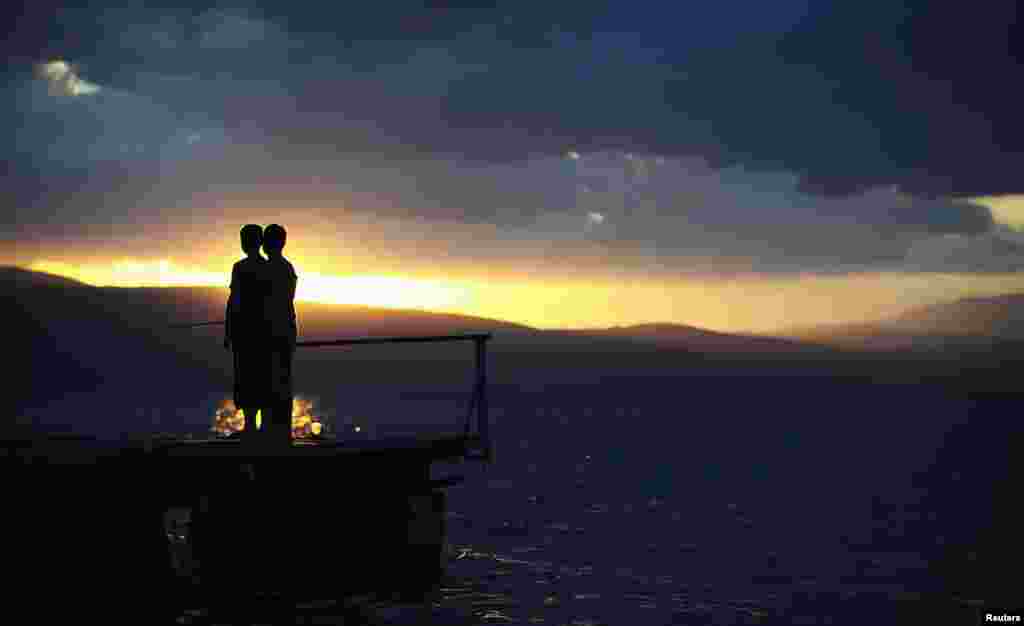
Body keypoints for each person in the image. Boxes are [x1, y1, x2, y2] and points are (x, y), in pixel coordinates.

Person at [223, 224, 270, 438]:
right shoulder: (267, 267)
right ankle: (255, 426)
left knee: (246, 377)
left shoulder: (239, 268)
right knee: (259, 377)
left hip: (245, 332)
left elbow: (233, 302)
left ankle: (251, 426)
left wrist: (228, 331)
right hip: (263, 332)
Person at [261, 223, 298, 446]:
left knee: (268, 380)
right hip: (285, 330)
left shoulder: (267, 269)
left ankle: (270, 430)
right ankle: (280, 429)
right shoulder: (287, 268)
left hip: (270, 332)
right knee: (282, 379)